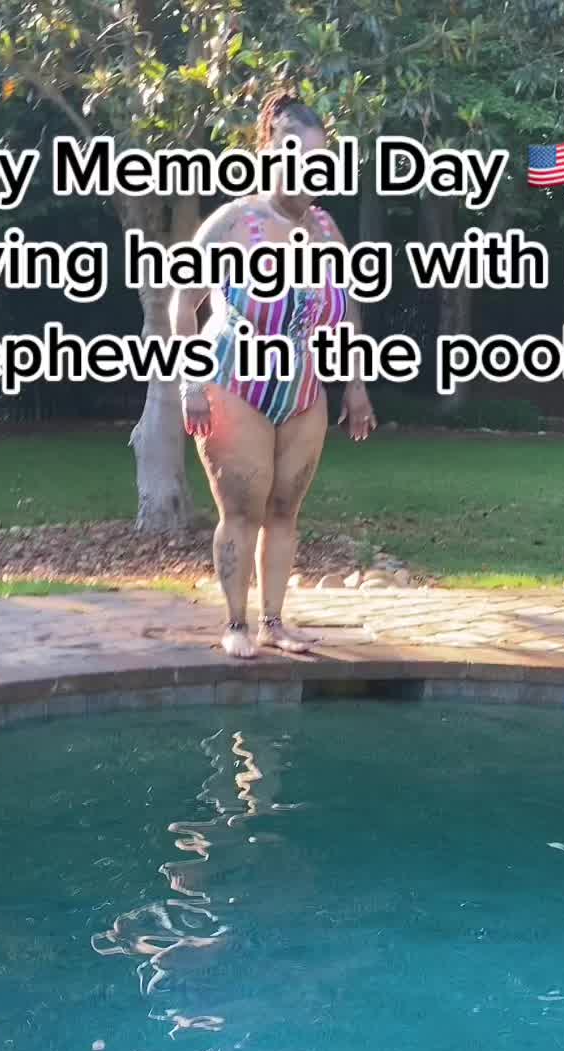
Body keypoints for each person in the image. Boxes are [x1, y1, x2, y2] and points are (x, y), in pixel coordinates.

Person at [169, 90, 377, 659]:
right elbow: (183, 301)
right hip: (234, 380)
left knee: (285, 509)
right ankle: (236, 624)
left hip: (304, 386)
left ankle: (274, 621)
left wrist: (355, 386)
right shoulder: (234, 223)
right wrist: (190, 383)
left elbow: (348, 310)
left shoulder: (327, 231)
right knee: (242, 508)